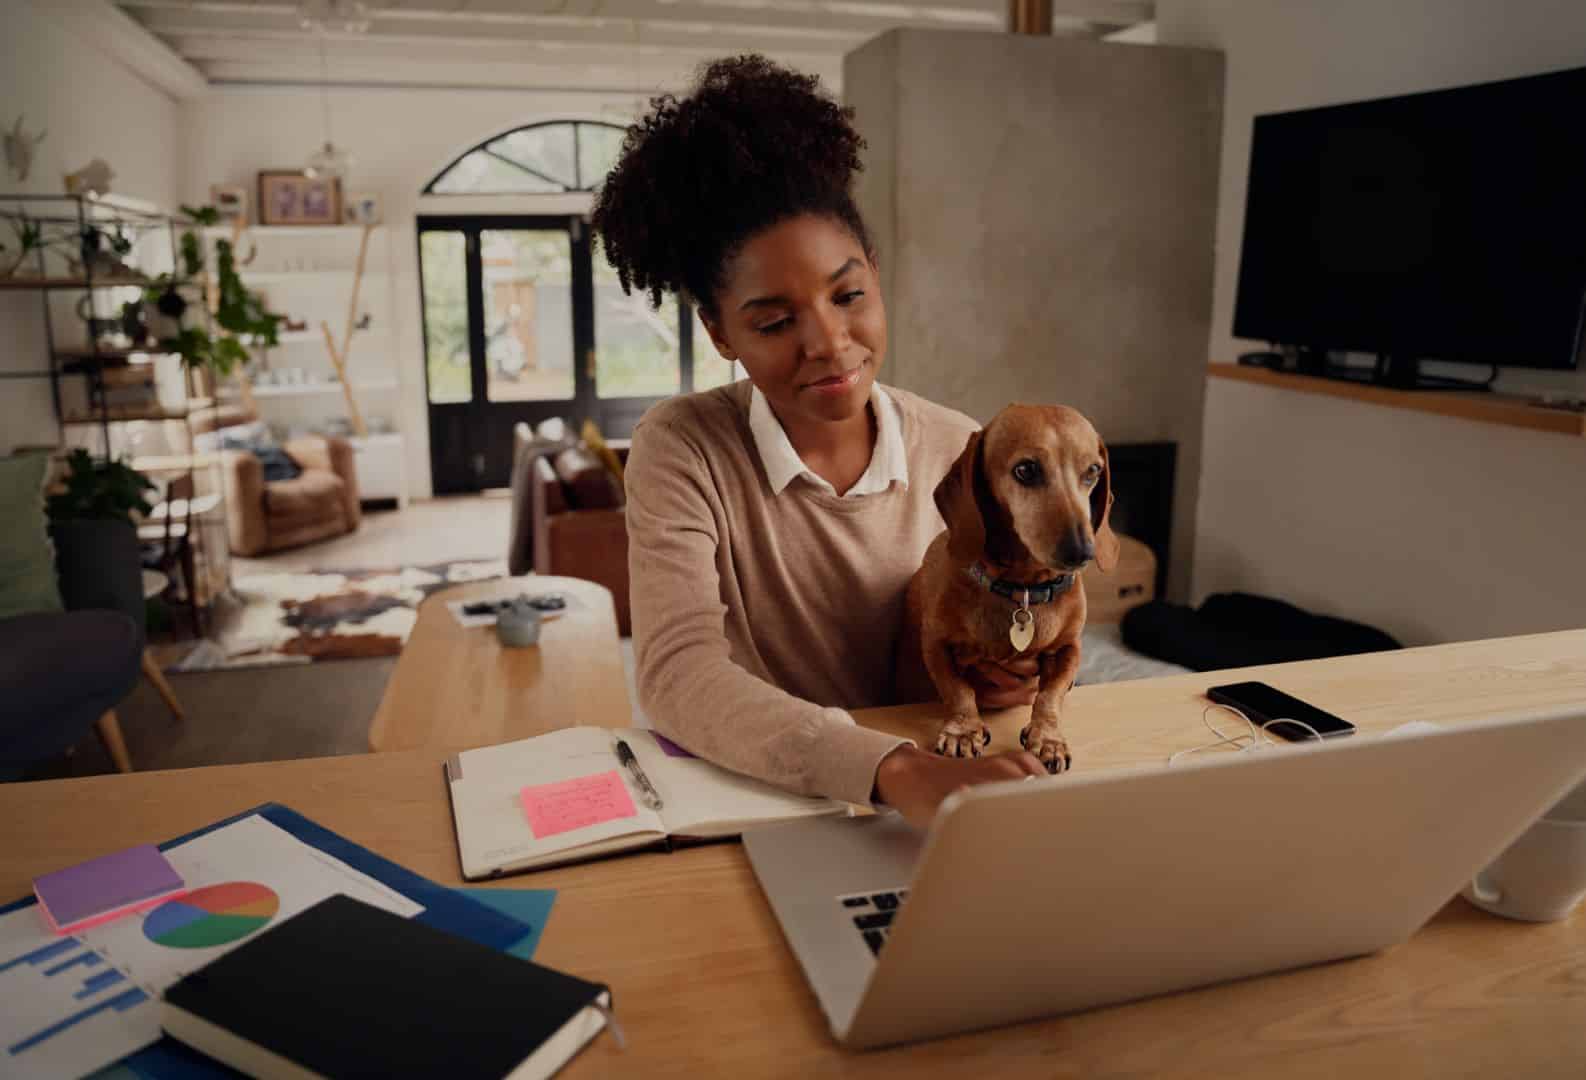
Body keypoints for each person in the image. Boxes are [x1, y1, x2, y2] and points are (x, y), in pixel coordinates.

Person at [592, 55, 1047, 827]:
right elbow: (675, 674)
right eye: (774, 322)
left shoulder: (963, 447)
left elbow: (991, 644)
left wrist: (1005, 675)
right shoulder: (685, 446)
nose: (830, 344)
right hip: (763, 791)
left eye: (849, 295)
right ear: (719, 332)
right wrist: (888, 770)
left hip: (938, 788)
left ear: (876, 272)